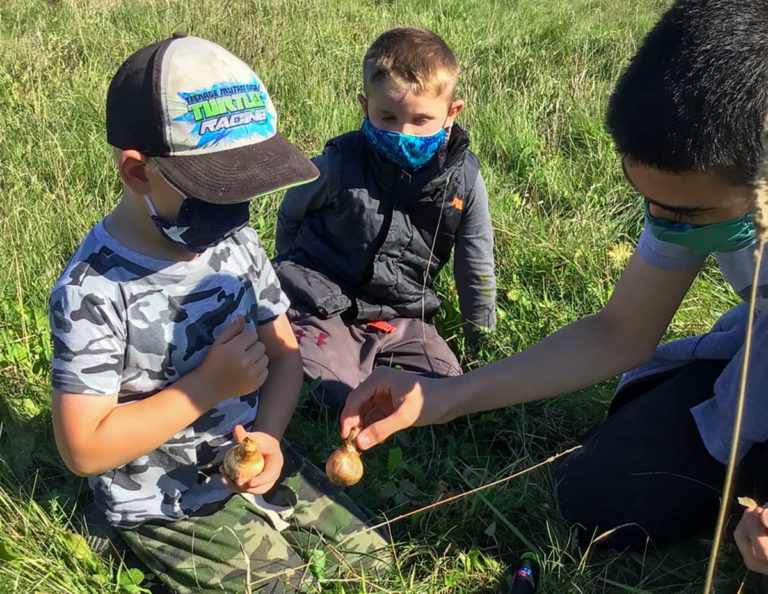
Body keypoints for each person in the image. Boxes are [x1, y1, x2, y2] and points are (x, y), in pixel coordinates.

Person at [339, 0, 768, 573]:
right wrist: (443, 396)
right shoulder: (691, 188)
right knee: (603, 500)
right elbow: (620, 331)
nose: (666, 224)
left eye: (689, 213)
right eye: (651, 202)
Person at [49, 34, 389, 593]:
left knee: (372, 562)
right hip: (162, 491)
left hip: (246, 453)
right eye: (213, 194)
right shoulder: (95, 290)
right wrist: (205, 388)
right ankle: (116, 526)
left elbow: (284, 354)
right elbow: (82, 448)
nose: (233, 214)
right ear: (139, 173)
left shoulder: (235, 241)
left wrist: (272, 437)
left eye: (244, 195)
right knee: (287, 587)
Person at [274, 27, 497, 409]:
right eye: (387, 117)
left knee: (443, 386)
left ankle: (370, 372)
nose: (403, 133)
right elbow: (291, 212)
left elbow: (475, 264)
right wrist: (289, 279)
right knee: (319, 383)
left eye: (421, 119)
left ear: (451, 112)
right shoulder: (340, 163)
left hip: (403, 315)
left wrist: (481, 341)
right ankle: (335, 363)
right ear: (365, 107)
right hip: (325, 305)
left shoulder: (464, 182)